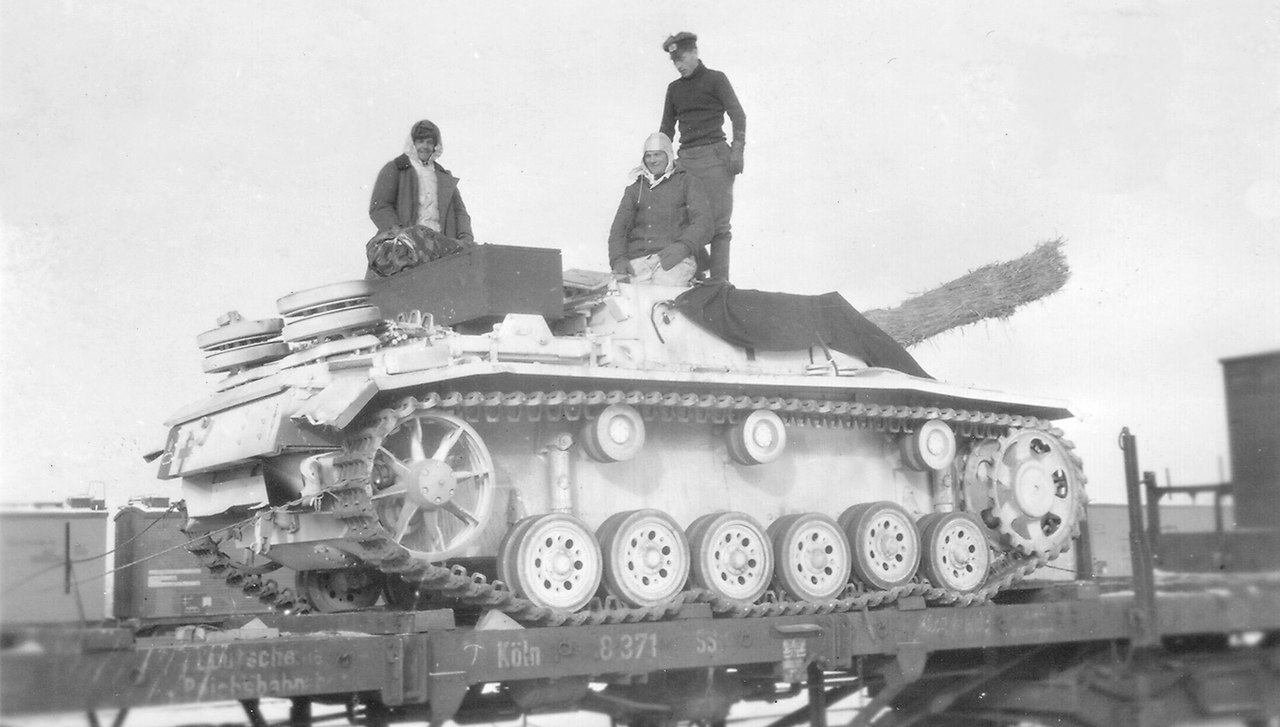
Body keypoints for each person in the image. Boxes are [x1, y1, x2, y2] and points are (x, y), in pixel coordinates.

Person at [659, 32, 745, 282]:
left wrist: (737, 150)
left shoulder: (716, 79)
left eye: (682, 58)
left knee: (719, 226)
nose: (679, 65)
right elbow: (666, 128)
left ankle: (719, 285)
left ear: (695, 52)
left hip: (715, 158)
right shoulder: (674, 89)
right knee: (677, 219)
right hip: (686, 160)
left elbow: (738, 115)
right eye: (675, 61)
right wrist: (660, 160)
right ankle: (699, 273)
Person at [608, 132, 712, 286]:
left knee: (662, 292)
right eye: (648, 156)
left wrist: (683, 247)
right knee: (622, 293)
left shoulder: (687, 182)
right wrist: (618, 260)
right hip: (639, 261)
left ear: (668, 155)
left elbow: (703, 222)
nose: (652, 160)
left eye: (657, 155)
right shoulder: (635, 190)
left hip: (676, 259)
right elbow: (619, 229)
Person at [369, 119, 474, 243]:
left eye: (429, 142)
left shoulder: (444, 177)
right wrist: (400, 235)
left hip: (442, 246)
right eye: (420, 141)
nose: (425, 146)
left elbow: (460, 213)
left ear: (435, 146)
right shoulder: (396, 168)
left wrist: (466, 240)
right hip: (406, 246)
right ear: (413, 143)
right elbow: (380, 206)